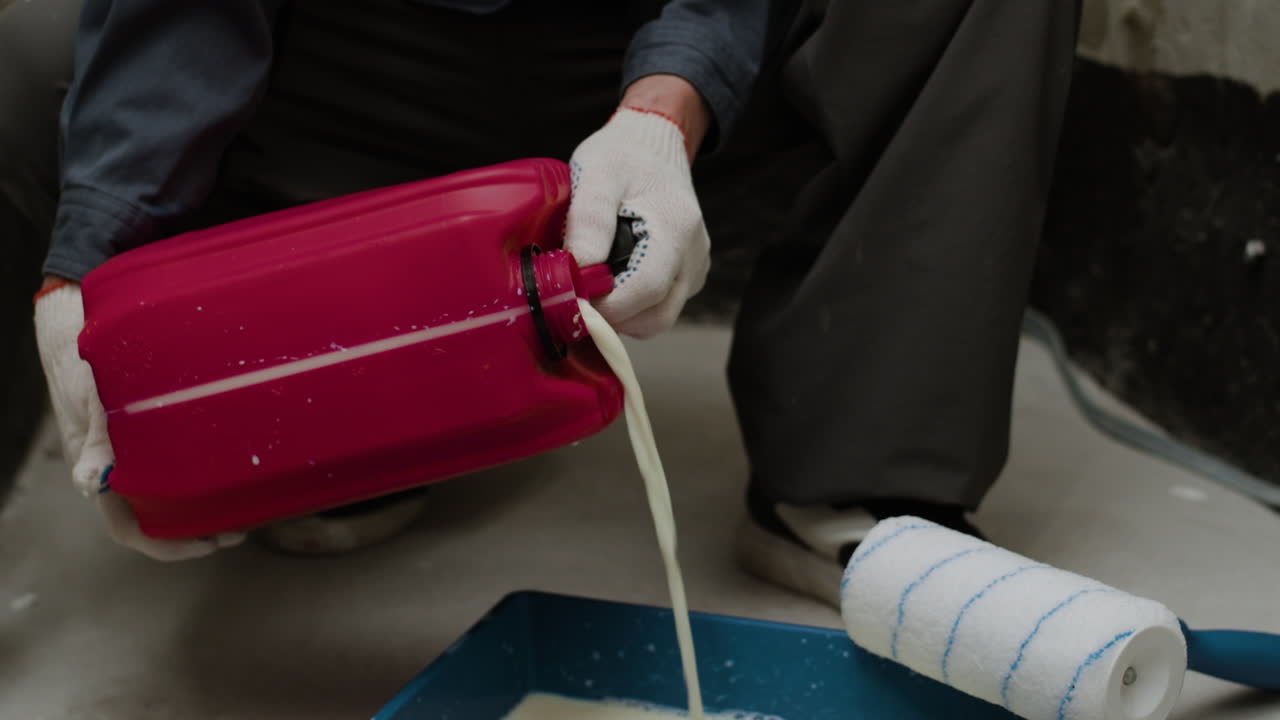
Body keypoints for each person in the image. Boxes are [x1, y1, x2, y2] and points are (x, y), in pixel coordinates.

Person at [4, 0, 1080, 607]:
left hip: (649, 53)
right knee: (29, 54)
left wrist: (667, 105)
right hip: (338, 71)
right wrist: (86, 270)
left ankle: (857, 476)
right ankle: (332, 422)